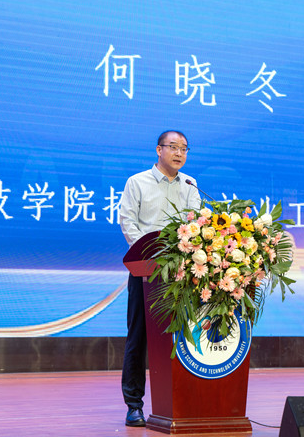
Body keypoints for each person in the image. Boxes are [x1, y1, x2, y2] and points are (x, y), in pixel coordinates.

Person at [118, 130, 201, 427]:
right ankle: (134, 405)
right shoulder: (137, 182)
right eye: (173, 147)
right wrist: (149, 256)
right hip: (147, 272)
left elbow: (196, 224)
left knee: (182, 337)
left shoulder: (190, 185)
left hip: (181, 274)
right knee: (138, 337)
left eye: (184, 149)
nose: (179, 153)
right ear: (158, 150)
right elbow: (128, 221)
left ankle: (183, 401)